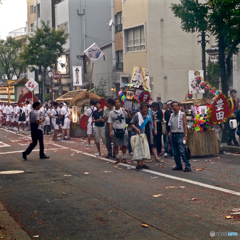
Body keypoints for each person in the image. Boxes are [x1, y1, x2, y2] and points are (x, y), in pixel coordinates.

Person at [131, 102, 161, 171]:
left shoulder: (149, 116)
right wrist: (136, 129)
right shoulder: (137, 115)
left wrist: (151, 134)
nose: (145, 109)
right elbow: (132, 124)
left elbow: (151, 125)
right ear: (140, 109)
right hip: (139, 134)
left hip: (147, 134)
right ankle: (138, 164)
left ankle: (143, 163)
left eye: (146, 108)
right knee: (139, 149)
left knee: (145, 148)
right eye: (143, 108)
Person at [168, 101, 191, 172]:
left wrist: (186, 135)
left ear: (179, 106)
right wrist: (170, 133)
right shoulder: (171, 115)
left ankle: (187, 165)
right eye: (173, 106)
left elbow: (185, 125)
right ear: (171, 107)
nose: (175, 107)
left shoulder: (182, 114)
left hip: (180, 134)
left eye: (176, 106)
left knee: (182, 151)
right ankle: (178, 165)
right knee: (175, 152)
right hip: (173, 134)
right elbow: (170, 125)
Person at [108, 98, 132, 164]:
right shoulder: (111, 113)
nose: (117, 103)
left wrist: (128, 112)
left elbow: (129, 117)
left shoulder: (123, 111)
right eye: (116, 102)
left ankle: (124, 158)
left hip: (124, 130)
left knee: (124, 145)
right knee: (116, 145)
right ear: (114, 104)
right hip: (115, 130)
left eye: (118, 102)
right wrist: (110, 131)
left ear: (120, 103)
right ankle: (117, 158)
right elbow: (110, 122)